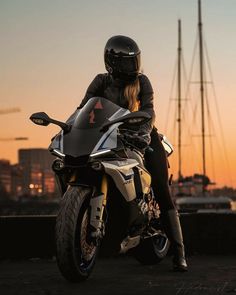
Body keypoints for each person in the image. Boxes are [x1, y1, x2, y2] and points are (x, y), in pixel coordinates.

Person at [78, 35, 188, 272]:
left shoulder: (142, 82)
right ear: (111, 62)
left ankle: (179, 252)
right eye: (127, 62)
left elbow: (149, 110)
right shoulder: (100, 82)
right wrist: (75, 128)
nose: (133, 67)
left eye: (134, 61)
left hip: (144, 135)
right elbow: (83, 108)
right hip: (110, 136)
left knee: (161, 187)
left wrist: (142, 131)